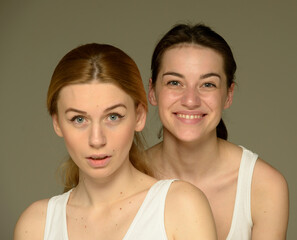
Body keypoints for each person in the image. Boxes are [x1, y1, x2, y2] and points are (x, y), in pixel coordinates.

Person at [13, 43, 217, 240]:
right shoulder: (35, 225)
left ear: (139, 116)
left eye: (113, 117)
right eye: (79, 119)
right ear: (57, 123)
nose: (96, 140)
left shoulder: (180, 206)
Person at [146, 24, 289, 240]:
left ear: (228, 95)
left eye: (208, 84)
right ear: (152, 91)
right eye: (175, 82)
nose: (190, 100)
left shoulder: (264, 186)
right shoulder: (123, 177)